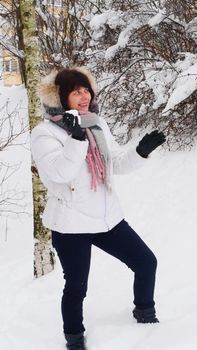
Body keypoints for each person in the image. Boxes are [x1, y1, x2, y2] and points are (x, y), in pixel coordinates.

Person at [31, 67, 166, 349]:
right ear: (61, 98)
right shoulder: (44, 133)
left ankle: (145, 314)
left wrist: (141, 151)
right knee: (77, 287)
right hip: (70, 224)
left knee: (146, 262)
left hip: (106, 217)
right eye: (75, 91)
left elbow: (114, 162)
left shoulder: (96, 123)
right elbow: (59, 173)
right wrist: (76, 140)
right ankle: (74, 339)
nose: (83, 96)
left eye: (86, 90)